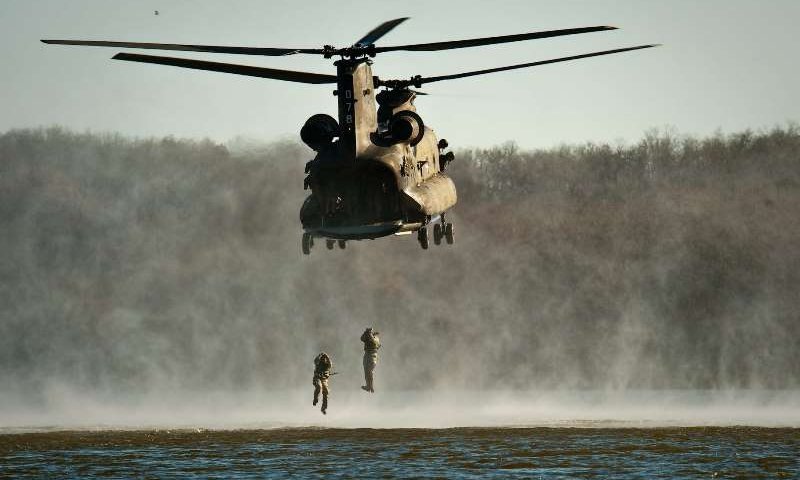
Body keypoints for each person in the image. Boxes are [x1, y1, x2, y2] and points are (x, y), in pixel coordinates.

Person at [360, 327, 381, 393]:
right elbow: (362, 338)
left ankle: (370, 386)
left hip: (371, 356)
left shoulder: (375, 339)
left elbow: (373, 342)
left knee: (369, 371)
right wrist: (367, 332)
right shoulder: (371, 338)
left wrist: (368, 332)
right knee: (367, 371)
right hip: (368, 355)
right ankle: (369, 386)